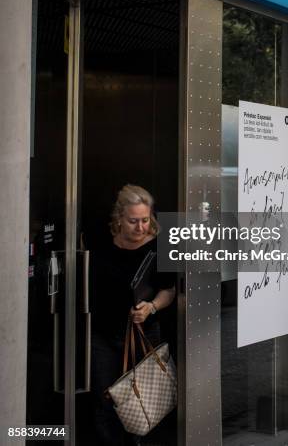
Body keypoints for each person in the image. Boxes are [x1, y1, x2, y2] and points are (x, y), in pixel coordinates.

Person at [90, 184, 176, 445]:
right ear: (118, 219)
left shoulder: (158, 247)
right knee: (105, 399)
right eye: (133, 221)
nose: (140, 227)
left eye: (145, 220)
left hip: (143, 332)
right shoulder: (101, 243)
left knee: (143, 399)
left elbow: (169, 290)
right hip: (103, 333)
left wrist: (151, 307)